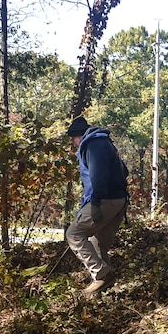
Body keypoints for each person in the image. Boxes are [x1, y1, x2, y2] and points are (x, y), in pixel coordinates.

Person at [65, 116, 128, 296]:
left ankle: (102, 275)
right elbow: (125, 171)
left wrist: (95, 203)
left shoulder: (92, 145)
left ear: (78, 136)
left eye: (73, 140)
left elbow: (98, 177)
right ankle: (103, 289)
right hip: (119, 199)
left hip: (105, 200)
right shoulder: (105, 142)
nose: (74, 144)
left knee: (74, 234)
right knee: (97, 242)